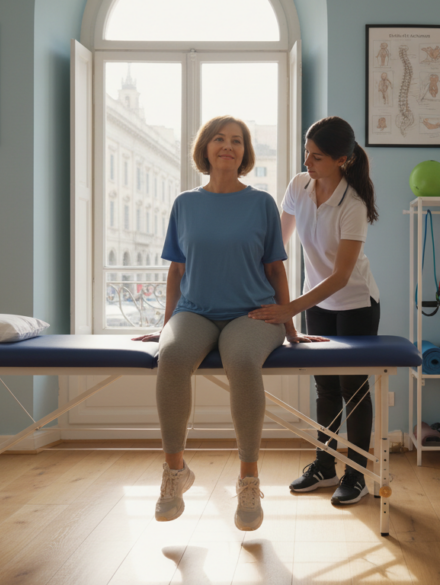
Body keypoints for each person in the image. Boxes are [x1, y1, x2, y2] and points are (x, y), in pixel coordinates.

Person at [133, 115, 302, 531]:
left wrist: (289, 324)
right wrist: (167, 323)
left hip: (253, 313)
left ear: (245, 153)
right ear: (205, 148)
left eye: (237, 141)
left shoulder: (261, 202)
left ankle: (249, 478)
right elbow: (176, 271)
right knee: (170, 355)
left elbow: (276, 270)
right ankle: (175, 473)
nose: (228, 146)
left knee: (241, 359)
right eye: (219, 139)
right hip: (196, 310)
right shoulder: (184, 204)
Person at [249, 116, 380, 505]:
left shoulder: (352, 204)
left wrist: (288, 307)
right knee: (324, 387)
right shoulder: (298, 186)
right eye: (307, 152)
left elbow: (341, 276)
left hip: (355, 303)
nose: (308, 161)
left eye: (317, 156)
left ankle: (355, 474)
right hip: (315, 303)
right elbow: (279, 246)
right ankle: (324, 465)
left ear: (342, 159)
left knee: (352, 389)